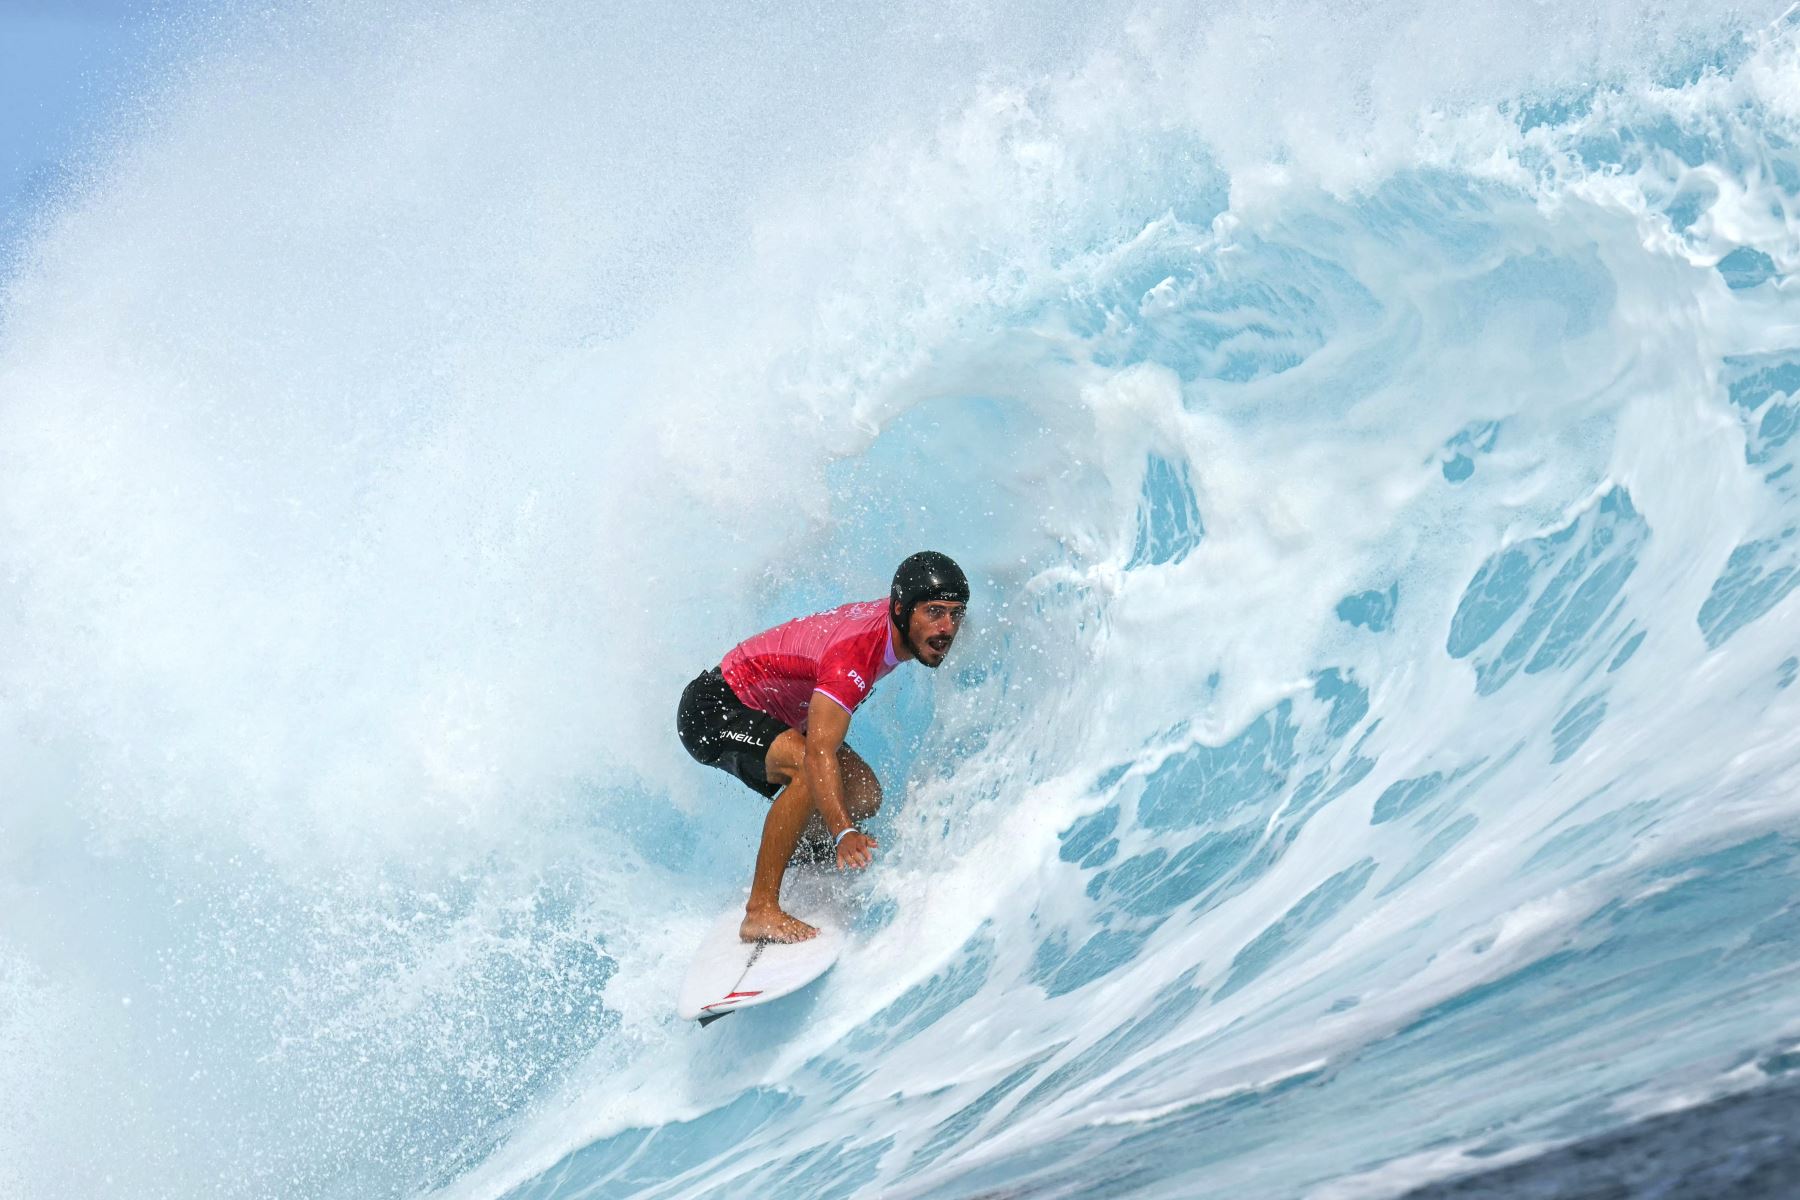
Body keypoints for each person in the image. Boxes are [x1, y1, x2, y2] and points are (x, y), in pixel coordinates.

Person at [676, 551, 970, 943]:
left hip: (776, 714)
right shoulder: (856, 655)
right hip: (715, 709)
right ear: (901, 609)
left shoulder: (894, 622)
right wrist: (843, 832)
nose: (947, 628)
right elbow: (817, 755)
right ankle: (760, 910)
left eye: (955, 614)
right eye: (935, 612)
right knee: (807, 770)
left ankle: (796, 854)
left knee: (863, 794)